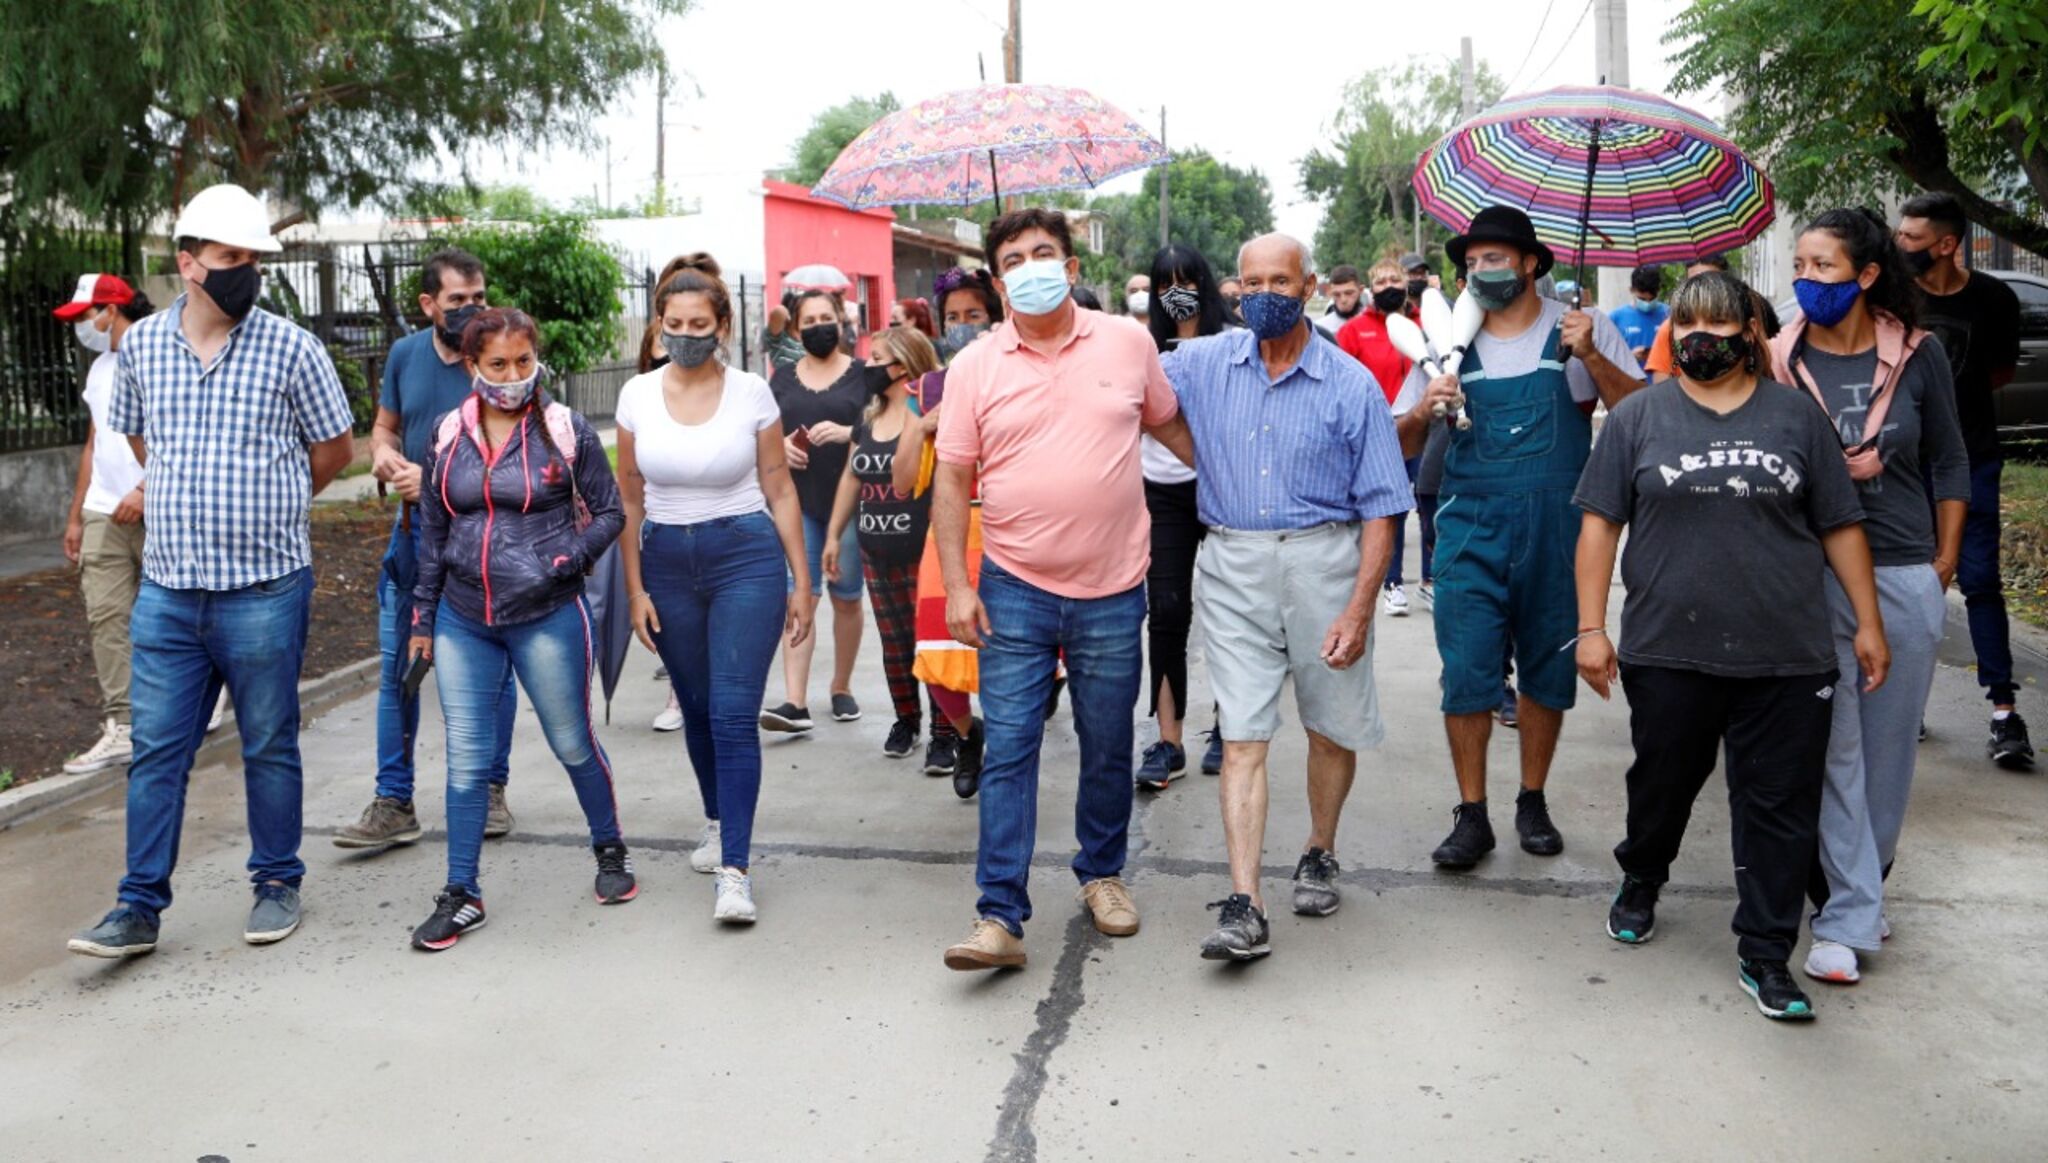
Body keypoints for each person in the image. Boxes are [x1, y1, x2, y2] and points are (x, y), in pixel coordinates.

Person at [1575, 271, 1891, 1021]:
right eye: (1686, 326)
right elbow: (1598, 527)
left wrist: (1868, 620)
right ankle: (1643, 876)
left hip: (1786, 653)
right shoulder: (1637, 419)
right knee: (1662, 786)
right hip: (1667, 649)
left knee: (1779, 808)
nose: (1700, 340)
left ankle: (1765, 953)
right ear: (1671, 335)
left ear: (1751, 335)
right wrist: (1592, 628)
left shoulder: (1797, 418)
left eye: (1718, 326)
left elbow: (1839, 524)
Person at [68, 184, 355, 959]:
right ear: (187, 263)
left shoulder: (293, 348)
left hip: (265, 586)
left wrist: (271, 500)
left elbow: (334, 451)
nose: (246, 272)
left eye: (254, 259)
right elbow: (132, 437)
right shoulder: (144, 348)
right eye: (231, 258)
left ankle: (275, 881)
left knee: (267, 740)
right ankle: (137, 907)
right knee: (157, 749)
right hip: (167, 590)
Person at [934, 207, 1194, 971]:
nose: (1030, 265)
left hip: (1115, 586)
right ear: (997, 277)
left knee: (1108, 742)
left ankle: (1102, 873)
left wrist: (1235, 497)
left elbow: (1174, 431)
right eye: (1013, 257)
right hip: (1012, 584)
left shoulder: (1127, 341)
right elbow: (952, 479)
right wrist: (957, 583)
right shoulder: (975, 365)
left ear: (1073, 267)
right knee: (1010, 745)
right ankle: (999, 916)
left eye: (1044, 252)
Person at [1164, 233, 1412, 962]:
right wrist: (1197, 453)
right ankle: (1245, 901)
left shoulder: (1349, 382)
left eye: (1281, 279)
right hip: (1233, 560)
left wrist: (1361, 606)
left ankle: (1319, 847)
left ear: (1308, 286)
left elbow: (1382, 506)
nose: (1266, 292)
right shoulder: (1204, 362)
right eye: (1252, 281)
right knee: (1242, 734)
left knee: (1331, 725)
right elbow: (1131, 389)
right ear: (1234, 289)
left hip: (1325, 562)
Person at [1394, 205, 1645, 871]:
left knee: (1546, 668)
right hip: (1471, 528)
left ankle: (1531, 797)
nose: (1480, 270)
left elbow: (1640, 416)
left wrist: (1592, 351)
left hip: (1558, 527)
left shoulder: (1579, 331)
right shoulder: (1448, 341)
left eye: (1494, 257)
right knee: (1468, 672)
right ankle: (1471, 813)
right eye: (1471, 262)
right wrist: (1428, 404)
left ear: (1533, 263)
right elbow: (1398, 441)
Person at [1769, 207, 1969, 987]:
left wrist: (1943, 559)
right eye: (1801, 264)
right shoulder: (1780, 359)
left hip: (1905, 576)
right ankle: (1846, 916)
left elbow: (1951, 461)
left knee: (1886, 756)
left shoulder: (1919, 355)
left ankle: (1863, 884)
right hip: (1810, 575)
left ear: (1868, 274)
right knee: (1833, 748)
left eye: (1824, 266)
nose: (1807, 280)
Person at [403, 308, 631, 951]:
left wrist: (565, 561)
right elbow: (434, 531)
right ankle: (461, 891)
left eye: (523, 362)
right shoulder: (449, 433)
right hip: (462, 617)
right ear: (472, 366)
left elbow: (610, 511)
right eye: (497, 365)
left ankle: (610, 850)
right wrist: (423, 616)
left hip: (548, 613)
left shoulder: (565, 429)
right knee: (468, 758)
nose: (512, 376)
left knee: (572, 742)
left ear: (537, 360)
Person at [616, 254, 813, 924]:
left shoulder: (753, 392)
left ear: (723, 324)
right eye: (674, 323)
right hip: (668, 562)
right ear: (659, 326)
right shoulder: (636, 395)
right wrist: (635, 590)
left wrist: (801, 580)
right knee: (697, 710)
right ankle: (716, 818)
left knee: (732, 712)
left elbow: (780, 487)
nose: (687, 334)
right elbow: (630, 499)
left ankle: (736, 871)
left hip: (745, 556)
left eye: (700, 323)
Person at [335, 248, 519, 849]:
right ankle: (394, 801)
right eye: (457, 301)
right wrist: (385, 455)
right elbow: (384, 427)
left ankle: (491, 790)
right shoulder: (405, 355)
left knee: (493, 675)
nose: (472, 310)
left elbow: (521, 453)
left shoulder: (497, 359)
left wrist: (435, 480)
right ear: (428, 304)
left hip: (484, 545)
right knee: (399, 673)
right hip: (413, 539)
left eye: (479, 298)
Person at [1896, 191, 2031, 767]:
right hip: (1905, 465)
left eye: (1912, 240)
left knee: (1979, 582)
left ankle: (2004, 713)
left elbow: (1997, 372)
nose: (1901, 246)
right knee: (1907, 586)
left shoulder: (1994, 298)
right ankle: (1906, 706)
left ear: (1948, 245)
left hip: (1973, 459)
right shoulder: (1896, 299)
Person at [1136, 244, 1233, 790]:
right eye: (1165, 281)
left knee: (1229, 611)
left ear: (1205, 281)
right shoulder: (1141, 346)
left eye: (1187, 279)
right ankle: (1168, 740)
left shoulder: (1234, 341)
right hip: (1162, 495)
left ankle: (1227, 724)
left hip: (1222, 488)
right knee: (1167, 610)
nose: (1177, 291)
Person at [824, 326, 944, 760]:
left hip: (923, 551)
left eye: (877, 358)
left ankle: (945, 732)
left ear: (903, 365)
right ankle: (906, 720)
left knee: (931, 642)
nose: (868, 366)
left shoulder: (927, 412)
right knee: (895, 645)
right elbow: (851, 475)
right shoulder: (869, 415)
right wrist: (835, 535)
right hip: (876, 549)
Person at [904, 266, 1001, 793]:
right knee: (937, 655)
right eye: (953, 317)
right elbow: (902, 482)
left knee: (1010, 656)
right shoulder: (927, 386)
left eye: (974, 315)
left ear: (996, 316)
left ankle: (1008, 758)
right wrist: (922, 424)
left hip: (1012, 528)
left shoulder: (1017, 372)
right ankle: (969, 735)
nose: (962, 325)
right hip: (948, 530)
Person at [56, 276, 153, 775]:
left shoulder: (158, 354)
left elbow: (179, 435)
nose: (80, 327)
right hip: (103, 510)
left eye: (83, 316)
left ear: (110, 311)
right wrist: (76, 516)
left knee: (176, 618)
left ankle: (206, 695)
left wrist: (145, 490)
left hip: (159, 510)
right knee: (107, 616)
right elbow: (94, 444)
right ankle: (124, 725)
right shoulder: (99, 370)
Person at [761, 288, 868, 732]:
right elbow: (762, 435)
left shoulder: (866, 375)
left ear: (841, 322)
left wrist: (850, 433)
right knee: (797, 596)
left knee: (846, 601)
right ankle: (794, 701)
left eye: (826, 317)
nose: (818, 326)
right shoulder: (781, 379)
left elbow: (886, 426)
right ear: (796, 328)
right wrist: (780, 448)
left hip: (849, 509)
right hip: (797, 505)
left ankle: (840, 687)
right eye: (808, 321)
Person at [1336, 260, 1419, 616]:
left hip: (1422, 425)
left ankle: (1431, 582)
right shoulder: (1356, 330)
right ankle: (1393, 583)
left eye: (1394, 279)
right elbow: (1343, 381)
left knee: (1430, 506)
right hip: (1379, 431)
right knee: (1392, 509)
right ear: (1371, 287)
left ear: (1406, 283)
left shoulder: (1423, 325)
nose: (1388, 285)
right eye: (1381, 280)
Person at [1608, 265, 1669, 373]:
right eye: (1642, 299)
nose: (1647, 303)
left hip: (1662, 382)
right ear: (1631, 290)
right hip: (1629, 383)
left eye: (1652, 299)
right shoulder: (1616, 318)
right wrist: (1630, 357)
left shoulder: (1669, 314)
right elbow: (1606, 358)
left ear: (1659, 290)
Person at [1314, 263, 1364, 336]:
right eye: (1337, 294)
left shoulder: (1377, 323)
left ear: (1361, 290)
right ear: (1330, 293)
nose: (1343, 300)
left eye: (1349, 293)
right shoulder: (1320, 329)